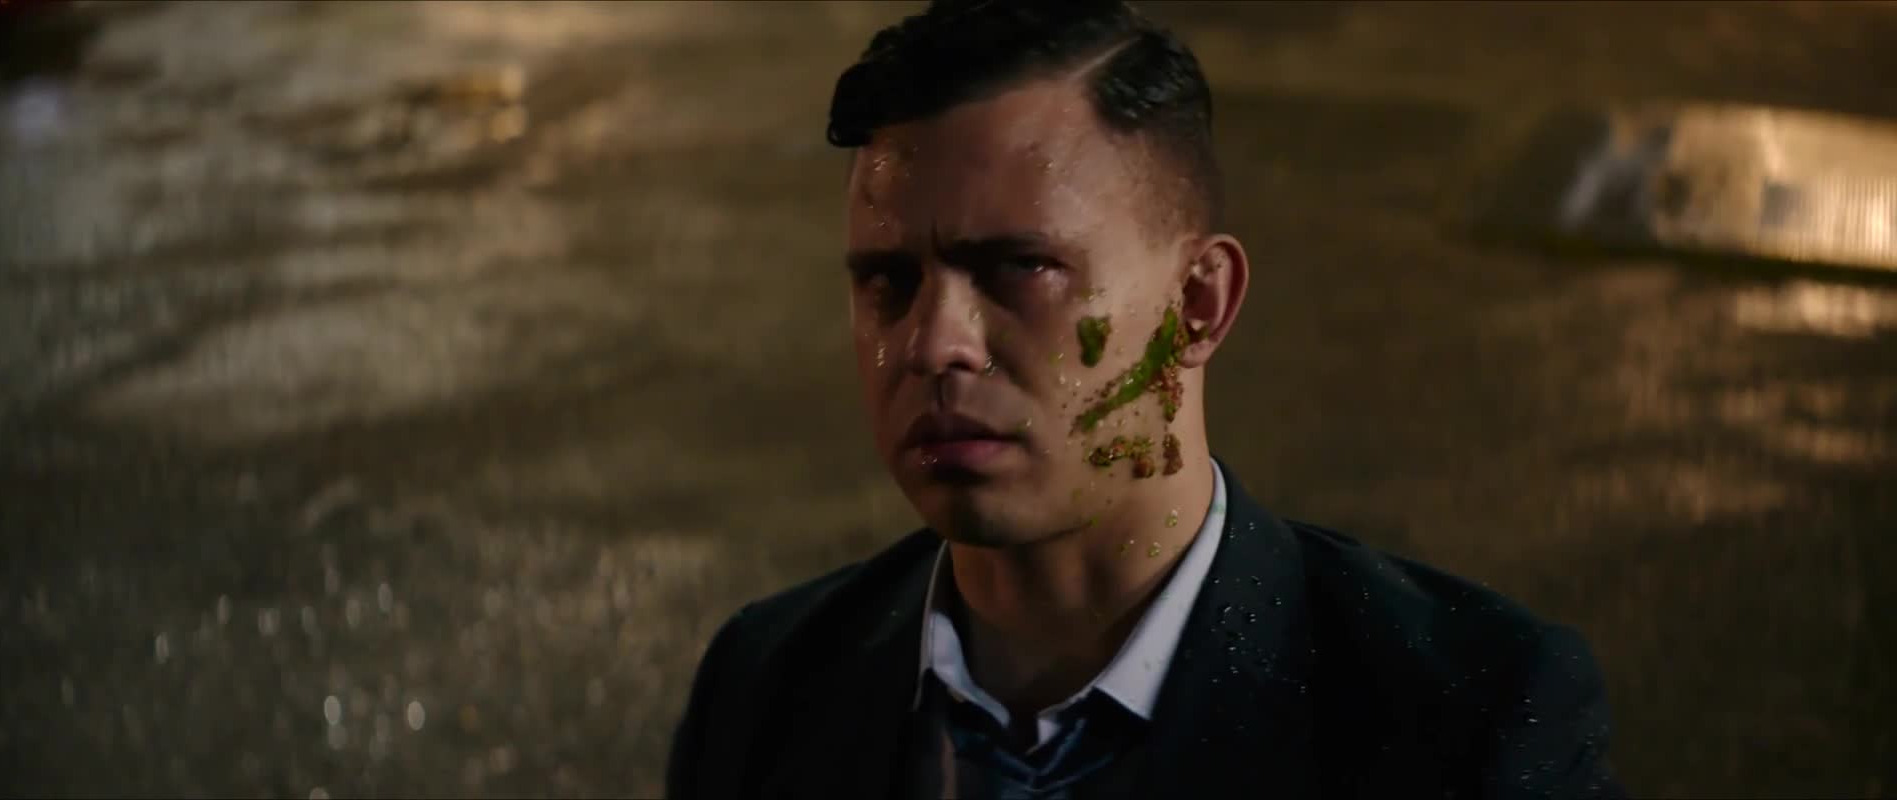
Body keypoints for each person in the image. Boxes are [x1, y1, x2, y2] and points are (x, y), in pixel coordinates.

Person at [668, 1, 1625, 797]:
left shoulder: (1466, 725)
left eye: (1020, 268)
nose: (934, 343)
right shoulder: (768, 687)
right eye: (888, 280)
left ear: (1197, 304)